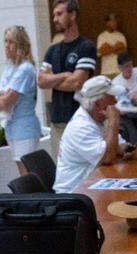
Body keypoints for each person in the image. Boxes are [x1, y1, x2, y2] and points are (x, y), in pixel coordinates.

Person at [54, 76, 134, 193]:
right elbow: (107, 157)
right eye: (111, 97)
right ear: (98, 103)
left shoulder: (98, 118)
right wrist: (114, 122)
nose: (115, 101)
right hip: (74, 194)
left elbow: (121, 147)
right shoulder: (81, 126)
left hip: (93, 186)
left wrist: (117, 148)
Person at [38, 0, 97, 155]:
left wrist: (52, 79)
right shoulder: (52, 50)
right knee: (60, 166)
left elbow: (76, 82)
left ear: (72, 15)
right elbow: (41, 81)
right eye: (54, 15)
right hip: (57, 122)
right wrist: (64, 75)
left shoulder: (86, 46)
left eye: (59, 14)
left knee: (83, 166)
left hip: (80, 120)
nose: (55, 19)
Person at [0, 25, 42, 164]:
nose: (6, 45)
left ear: (20, 45)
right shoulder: (10, 67)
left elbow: (5, 102)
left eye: (11, 42)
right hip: (12, 127)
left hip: (24, 127)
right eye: (5, 41)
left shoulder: (25, 69)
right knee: (22, 169)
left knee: (27, 170)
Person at [111, 53, 137, 144]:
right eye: (126, 66)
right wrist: (130, 99)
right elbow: (117, 104)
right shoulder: (116, 83)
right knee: (123, 119)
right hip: (131, 113)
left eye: (130, 65)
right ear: (120, 68)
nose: (129, 69)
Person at [97, 13, 127, 77]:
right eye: (112, 21)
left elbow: (123, 52)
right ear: (107, 23)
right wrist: (116, 48)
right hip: (106, 71)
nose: (115, 23)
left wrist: (108, 48)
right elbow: (100, 53)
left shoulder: (121, 36)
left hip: (119, 70)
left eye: (116, 21)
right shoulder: (102, 36)